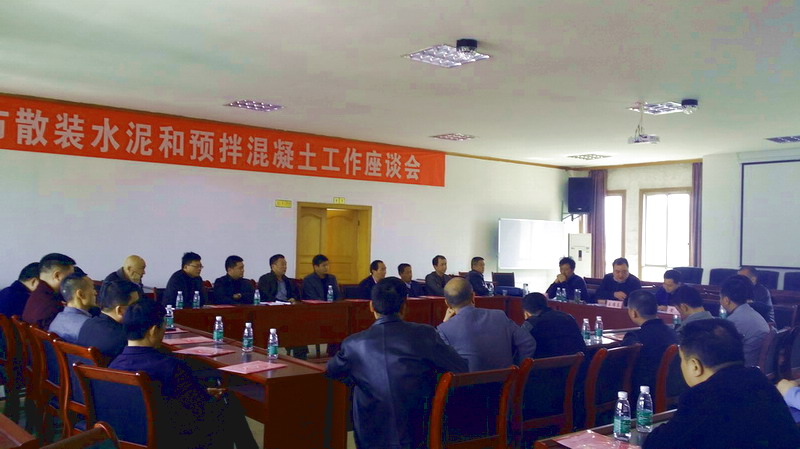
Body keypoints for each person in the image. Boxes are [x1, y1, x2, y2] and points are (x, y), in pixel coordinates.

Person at [326, 277, 467, 449]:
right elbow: (460, 367)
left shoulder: (353, 344)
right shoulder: (425, 334)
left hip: (371, 435)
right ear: (404, 307)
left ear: (371, 306)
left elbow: (332, 372)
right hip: (420, 432)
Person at [109, 299, 258, 449]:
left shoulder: (112, 368)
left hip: (130, 437)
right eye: (164, 326)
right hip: (173, 438)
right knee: (227, 402)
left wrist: (200, 391)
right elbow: (199, 407)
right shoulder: (172, 367)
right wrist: (205, 394)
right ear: (154, 330)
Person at [643, 319, 800, 449]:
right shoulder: (761, 382)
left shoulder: (703, 396)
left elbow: (657, 444)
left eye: (682, 360)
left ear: (695, 366)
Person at [436, 278, 535, 371]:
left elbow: (444, 363)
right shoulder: (499, 316)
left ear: (447, 303)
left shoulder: (444, 329)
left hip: (469, 382)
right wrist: (519, 371)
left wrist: (445, 322)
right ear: (473, 296)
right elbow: (528, 343)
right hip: (506, 381)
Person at [621, 289, 678, 393]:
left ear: (633, 313)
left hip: (644, 393)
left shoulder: (635, 338)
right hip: (673, 389)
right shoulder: (674, 333)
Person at [77, 279, 139, 361]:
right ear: (120, 310)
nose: (139, 308)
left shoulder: (87, 324)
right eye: (135, 305)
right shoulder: (124, 338)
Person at [720, 274, 771, 367]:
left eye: (720, 298)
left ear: (726, 300)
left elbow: (722, 351)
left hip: (742, 368)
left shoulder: (734, 321)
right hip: (754, 367)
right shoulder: (753, 314)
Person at [521, 292, 585, 358]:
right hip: (577, 363)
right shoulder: (568, 317)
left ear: (526, 313)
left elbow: (519, 349)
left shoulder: (530, 324)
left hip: (544, 364)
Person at [22, 253, 76, 329]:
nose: (72, 281)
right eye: (70, 277)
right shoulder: (52, 304)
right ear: (57, 276)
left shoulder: (36, 295)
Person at [49, 272, 98, 343]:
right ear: (80, 294)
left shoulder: (57, 319)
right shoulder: (88, 326)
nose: (95, 293)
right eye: (93, 288)